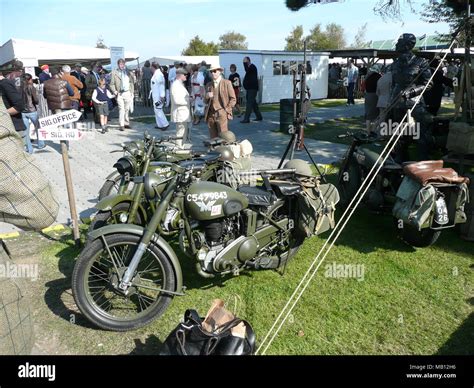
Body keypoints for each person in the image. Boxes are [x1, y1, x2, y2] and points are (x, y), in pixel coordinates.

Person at [0, 98, 59, 230]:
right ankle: (38, 145)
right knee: (32, 133)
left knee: (28, 136)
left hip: (23, 117)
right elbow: (42, 213)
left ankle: (33, 147)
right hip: (27, 114)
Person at [389, 33, 432, 161]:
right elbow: (393, 84)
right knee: (399, 136)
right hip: (397, 104)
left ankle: (423, 161)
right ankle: (401, 160)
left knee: (420, 136)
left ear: (408, 45)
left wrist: (411, 92)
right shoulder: (395, 64)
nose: (396, 45)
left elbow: (428, 84)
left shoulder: (421, 62)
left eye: (399, 42)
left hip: (415, 104)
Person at [204, 66, 236, 139]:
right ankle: (215, 150)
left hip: (222, 113)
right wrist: (207, 96)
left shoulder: (227, 83)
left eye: (214, 71)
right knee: (213, 137)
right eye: (211, 71)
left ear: (220, 71)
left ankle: (223, 150)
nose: (212, 73)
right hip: (211, 114)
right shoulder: (209, 85)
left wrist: (226, 110)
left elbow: (233, 99)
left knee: (223, 136)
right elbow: (205, 101)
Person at [21, 73, 46, 153]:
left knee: (26, 131)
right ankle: (41, 144)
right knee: (38, 127)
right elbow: (36, 100)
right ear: (29, 79)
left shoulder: (18, 87)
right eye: (31, 79)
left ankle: (29, 148)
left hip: (23, 112)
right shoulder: (31, 87)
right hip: (32, 111)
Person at [109, 58, 135, 131]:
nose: (122, 65)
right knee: (121, 109)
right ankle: (121, 125)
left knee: (127, 109)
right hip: (120, 93)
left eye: (123, 64)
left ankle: (126, 123)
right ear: (118, 65)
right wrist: (115, 91)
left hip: (127, 92)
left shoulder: (128, 72)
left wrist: (131, 91)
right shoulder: (114, 72)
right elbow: (111, 84)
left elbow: (131, 82)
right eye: (120, 64)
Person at [170, 68, 191, 148]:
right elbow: (177, 100)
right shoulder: (175, 85)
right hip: (180, 112)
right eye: (185, 75)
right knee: (180, 132)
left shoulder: (180, 84)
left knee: (184, 131)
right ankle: (178, 148)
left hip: (183, 112)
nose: (186, 76)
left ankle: (181, 146)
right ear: (180, 75)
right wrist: (188, 100)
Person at [241, 56, 262, 123]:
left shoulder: (252, 67)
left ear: (248, 61)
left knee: (249, 103)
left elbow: (247, 69)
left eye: (245, 61)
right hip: (250, 88)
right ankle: (259, 116)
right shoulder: (250, 68)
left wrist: (244, 63)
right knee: (253, 102)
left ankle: (246, 118)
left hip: (252, 88)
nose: (244, 62)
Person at [150, 62, 169, 130]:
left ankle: (165, 124)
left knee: (158, 110)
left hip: (159, 96)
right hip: (155, 95)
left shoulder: (158, 75)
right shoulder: (156, 74)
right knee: (156, 110)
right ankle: (160, 124)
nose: (150, 68)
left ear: (153, 67)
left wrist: (162, 96)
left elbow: (161, 86)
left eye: (151, 67)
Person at [364, 65, 382, 132]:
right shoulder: (378, 77)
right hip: (375, 96)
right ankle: (373, 130)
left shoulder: (368, 77)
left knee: (368, 114)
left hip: (367, 95)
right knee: (376, 114)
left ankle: (368, 130)